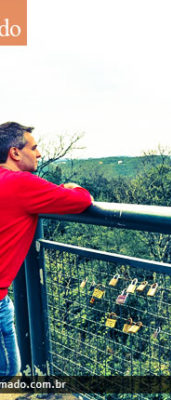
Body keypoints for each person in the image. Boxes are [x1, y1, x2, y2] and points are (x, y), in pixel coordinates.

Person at [0, 122, 93, 378]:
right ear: (15, 153)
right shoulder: (20, 183)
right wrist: (72, 187)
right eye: (34, 147)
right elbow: (82, 200)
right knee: (7, 370)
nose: (39, 154)